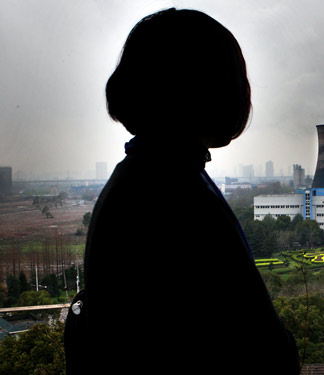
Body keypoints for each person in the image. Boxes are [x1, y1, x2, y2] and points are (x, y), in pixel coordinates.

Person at [64, 8, 300, 374]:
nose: (244, 93)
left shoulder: (143, 176)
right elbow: (262, 346)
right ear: (198, 88)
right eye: (233, 78)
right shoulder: (175, 193)